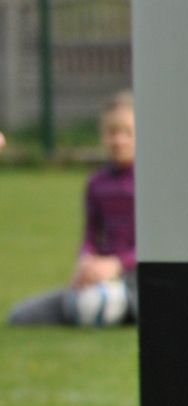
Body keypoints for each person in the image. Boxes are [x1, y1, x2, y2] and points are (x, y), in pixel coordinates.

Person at [8, 92, 137, 328]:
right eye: (112, 132)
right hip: (101, 276)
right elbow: (90, 236)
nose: (119, 139)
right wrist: (85, 263)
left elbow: (156, 244)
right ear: (102, 135)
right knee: (20, 316)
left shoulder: (153, 184)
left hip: (139, 278)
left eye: (127, 132)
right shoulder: (96, 184)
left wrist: (117, 264)